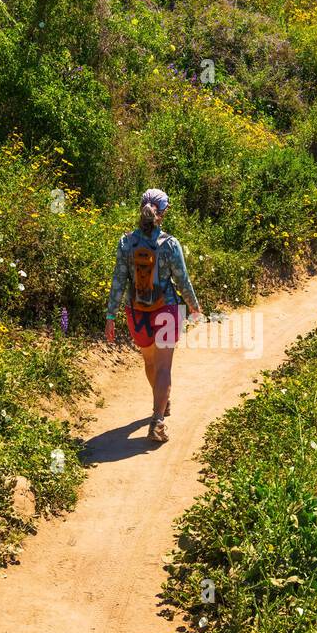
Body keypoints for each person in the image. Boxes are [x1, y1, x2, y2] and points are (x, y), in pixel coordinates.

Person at [104, 188, 202, 442]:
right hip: (166, 309)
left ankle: (161, 402)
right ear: (164, 212)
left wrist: (111, 316)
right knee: (164, 367)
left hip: (137, 313)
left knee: (150, 363)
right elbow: (182, 280)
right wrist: (193, 306)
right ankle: (158, 420)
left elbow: (118, 280)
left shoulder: (126, 242)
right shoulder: (170, 244)